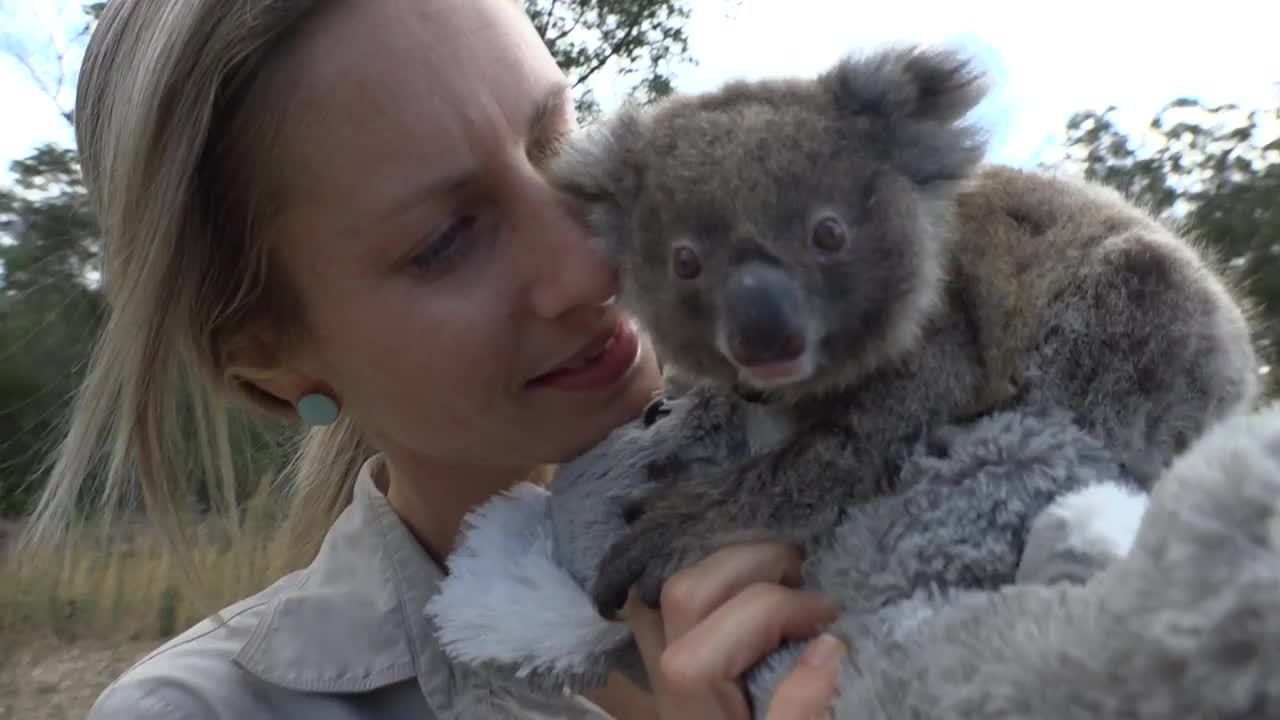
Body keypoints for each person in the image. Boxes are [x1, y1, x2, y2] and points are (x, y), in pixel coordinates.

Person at [19, 0, 849, 717]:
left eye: (562, 140)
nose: (595, 262)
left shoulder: (879, 467)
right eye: (445, 241)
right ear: (273, 362)